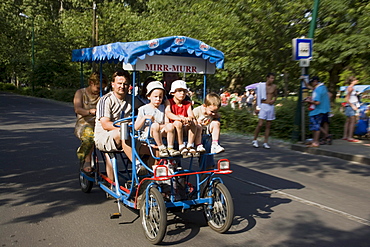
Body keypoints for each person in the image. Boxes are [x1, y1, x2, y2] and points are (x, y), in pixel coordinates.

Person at [94, 69, 145, 182]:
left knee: (153, 147)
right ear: (113, 84)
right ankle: (137, 164)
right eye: (119, 83)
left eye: (125, 84)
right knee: (123, 132)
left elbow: (146, 109)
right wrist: (126, 127)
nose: (122, 86)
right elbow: (105, 124)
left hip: (127, 135)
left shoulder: (132, 99)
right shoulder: (106, 100)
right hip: (105, 136)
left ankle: (151, 179)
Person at [134, 81, 180, 157]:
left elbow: (166, 123)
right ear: (149, 96)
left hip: (160, 131)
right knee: (155, 125)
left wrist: (162, 126)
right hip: (148, 133)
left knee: (170, 126)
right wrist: (145, 118)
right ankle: (161, 147)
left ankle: (170, 148)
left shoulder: (163, 108)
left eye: (160, 97)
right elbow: (136, 127)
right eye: (155, 96)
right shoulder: (143, 109)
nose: (158, 99)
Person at [73, 72, 107, 173]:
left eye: (102, 89)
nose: (99, 91)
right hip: (84, 123)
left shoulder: (102, 96)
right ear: (91, 83)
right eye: (98, 88)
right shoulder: (81, 93)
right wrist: (89, 111)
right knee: (89, 136)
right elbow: (77, 109)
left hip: (99, 124)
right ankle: (86, 159)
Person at [165, 80, 204, 157]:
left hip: (185, 127)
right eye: (179, 91)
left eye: (184, 91)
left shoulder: (187, 104)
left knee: (193, 123)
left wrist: (188, 119)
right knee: (178, 123)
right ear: (173, 92)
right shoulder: (169, 102)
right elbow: (168, 113)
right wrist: (180, 118)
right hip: (174, 128)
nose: (182, 93)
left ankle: (190, 145)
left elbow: (191, 115)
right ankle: (181, 145)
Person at [252, 73, 277, 149]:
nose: (272, 80)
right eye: (271, 78)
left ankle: (265, 142)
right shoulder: (261, 86)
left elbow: (275, 95)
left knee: (268, 125)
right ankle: (255, 139)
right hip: (263, 105)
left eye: (273, 78)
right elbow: (257, 97)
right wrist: (256, 107)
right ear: (267, 78)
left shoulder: (274, 87)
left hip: (270, 106)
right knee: (260, 124)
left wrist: (273, 100)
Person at [304, 76, 331, 147]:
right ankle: (317, 139)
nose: (312, 84)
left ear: (315, 81)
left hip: (317, 110)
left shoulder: (317, 90)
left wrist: (309, 101)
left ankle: (316, 142)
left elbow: (317, 102)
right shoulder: (323, 87)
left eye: (312, 82)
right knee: (317, 126)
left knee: (316, 127)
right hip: (324, 109)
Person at [342, 76, 360, 142]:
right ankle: (350, 137)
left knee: (348, 121)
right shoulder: (350, 88)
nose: (357, 80)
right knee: (352, 121)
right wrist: (353, 106)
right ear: (352, 81)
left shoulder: (349, 88)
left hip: (349, 105)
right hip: (351, 105)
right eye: (355, 80)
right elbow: (347, 98)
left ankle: (345, 136)